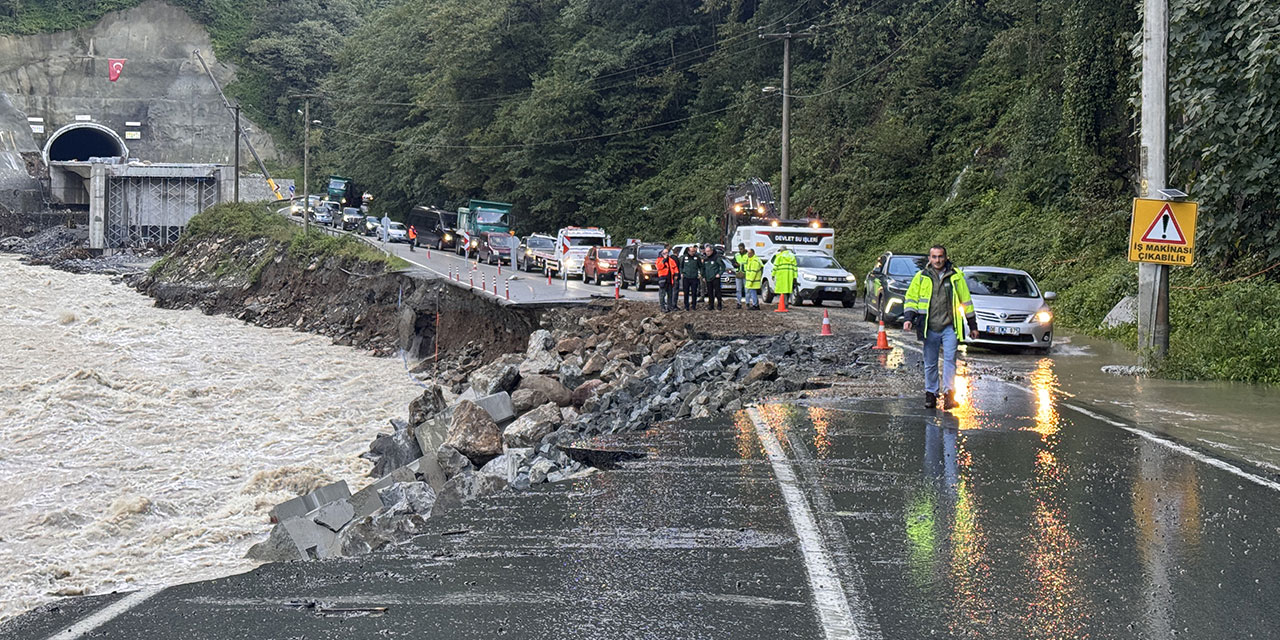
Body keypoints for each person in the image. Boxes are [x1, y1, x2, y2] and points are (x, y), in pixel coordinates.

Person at [902, 245, 979, 410]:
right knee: (930, 363)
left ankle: (949, 395)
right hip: (929, 327)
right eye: (934, 257)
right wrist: (908, 319)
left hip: (949, 327)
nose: (937, 260)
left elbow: (966, 302)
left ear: (946, 257)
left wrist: (973, 326)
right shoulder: (921, 277)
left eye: (940, 257)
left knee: (950, 361)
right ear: (929, 259)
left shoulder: (955, 277)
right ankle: (931, 395)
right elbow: (911, 299)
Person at [654, 246, 679, 313]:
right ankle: (662, 307)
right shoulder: (659, 260)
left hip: (670, 280)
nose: (666, 254)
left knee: (670, 294)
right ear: (662, 253)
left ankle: (669, 307)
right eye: (664, 253)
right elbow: (659, 267)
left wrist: (676, 274)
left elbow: (675, 267)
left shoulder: (671, 260)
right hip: (662, 280)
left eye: (667, 253)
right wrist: (664, 260)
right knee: (662, 294)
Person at [700, 244, 725, 311]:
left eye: (708, 251)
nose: (707, 253)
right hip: (708, 277)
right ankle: (711, 305)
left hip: (715, 277)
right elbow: (703, 268)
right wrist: (703, 276)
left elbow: (723, 267)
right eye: (706, 251)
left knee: (717, 292)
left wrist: (719, 274)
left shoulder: (716, 258)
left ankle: (719, 304)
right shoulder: (705, 259)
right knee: (709, 292)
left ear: (711, 251)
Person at [678, 245, 703, 311]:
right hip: (686, 277)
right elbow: (680, 266)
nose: (693, 253)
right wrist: (682, 273)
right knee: (686, 292)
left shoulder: (697, 258)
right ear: (688, 251)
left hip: (694, 277)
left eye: (694, 251)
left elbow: (700, 266)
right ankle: (686, 306)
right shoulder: (684, 257)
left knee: (694, 292)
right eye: (691, 251)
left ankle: (694, 305)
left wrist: (700, 273)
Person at [733, 243, 749, 309]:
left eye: (742, 249)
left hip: (746, 274)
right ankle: (739, 303)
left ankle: (747, 303)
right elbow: (733, 263)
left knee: (747, 290)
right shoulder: (737, 255)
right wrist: (735, 264)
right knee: (738, 290)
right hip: (738, 274)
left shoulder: (748, 255)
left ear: (744, 248)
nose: (741, 250)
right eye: (740, 249)